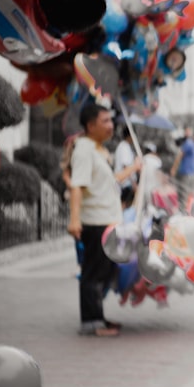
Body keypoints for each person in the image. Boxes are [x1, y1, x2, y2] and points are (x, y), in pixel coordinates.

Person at [68, 103, 142, 336]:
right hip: (95, 221)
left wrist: (134, 168)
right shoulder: (83, 149)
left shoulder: (98, 149)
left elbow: (110, 181)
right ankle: (91, 323)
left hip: (109, 220)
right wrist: (74, 219)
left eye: (111, 120)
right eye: (105, 121)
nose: (111, 126)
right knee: (93, 271)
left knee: (106, 270)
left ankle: (98, 317)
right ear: (90, 125)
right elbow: (77, 186)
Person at [170, 127, 194, 202]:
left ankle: (185, 211)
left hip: (188, 172)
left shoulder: (191, 144)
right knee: (186, 194)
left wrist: (174, 168)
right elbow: (181, 155)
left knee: (186, 194)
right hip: (188, 172)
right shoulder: (191, 143)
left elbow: (181, 155)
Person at [113, 126, 138, 190]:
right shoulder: (124, 147)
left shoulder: (125, 146)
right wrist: (133, 183)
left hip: (126, 183)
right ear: (130, 135)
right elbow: (126, 166)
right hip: (125, 184)